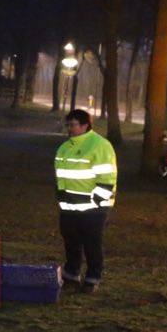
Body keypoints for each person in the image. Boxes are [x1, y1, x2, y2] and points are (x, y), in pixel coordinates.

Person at [55, 109, 116, 293]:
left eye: (73, 124)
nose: (69, 128)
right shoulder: (66, 146)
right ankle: (72, 273)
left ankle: (92, 277)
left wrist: (97, 201)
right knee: (71, 240)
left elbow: (107, 177)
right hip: (69, 205)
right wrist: (61, 196)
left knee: (91, 242)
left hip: (93, 207)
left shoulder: (99, 145)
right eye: (68, 124)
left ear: (84, 125)